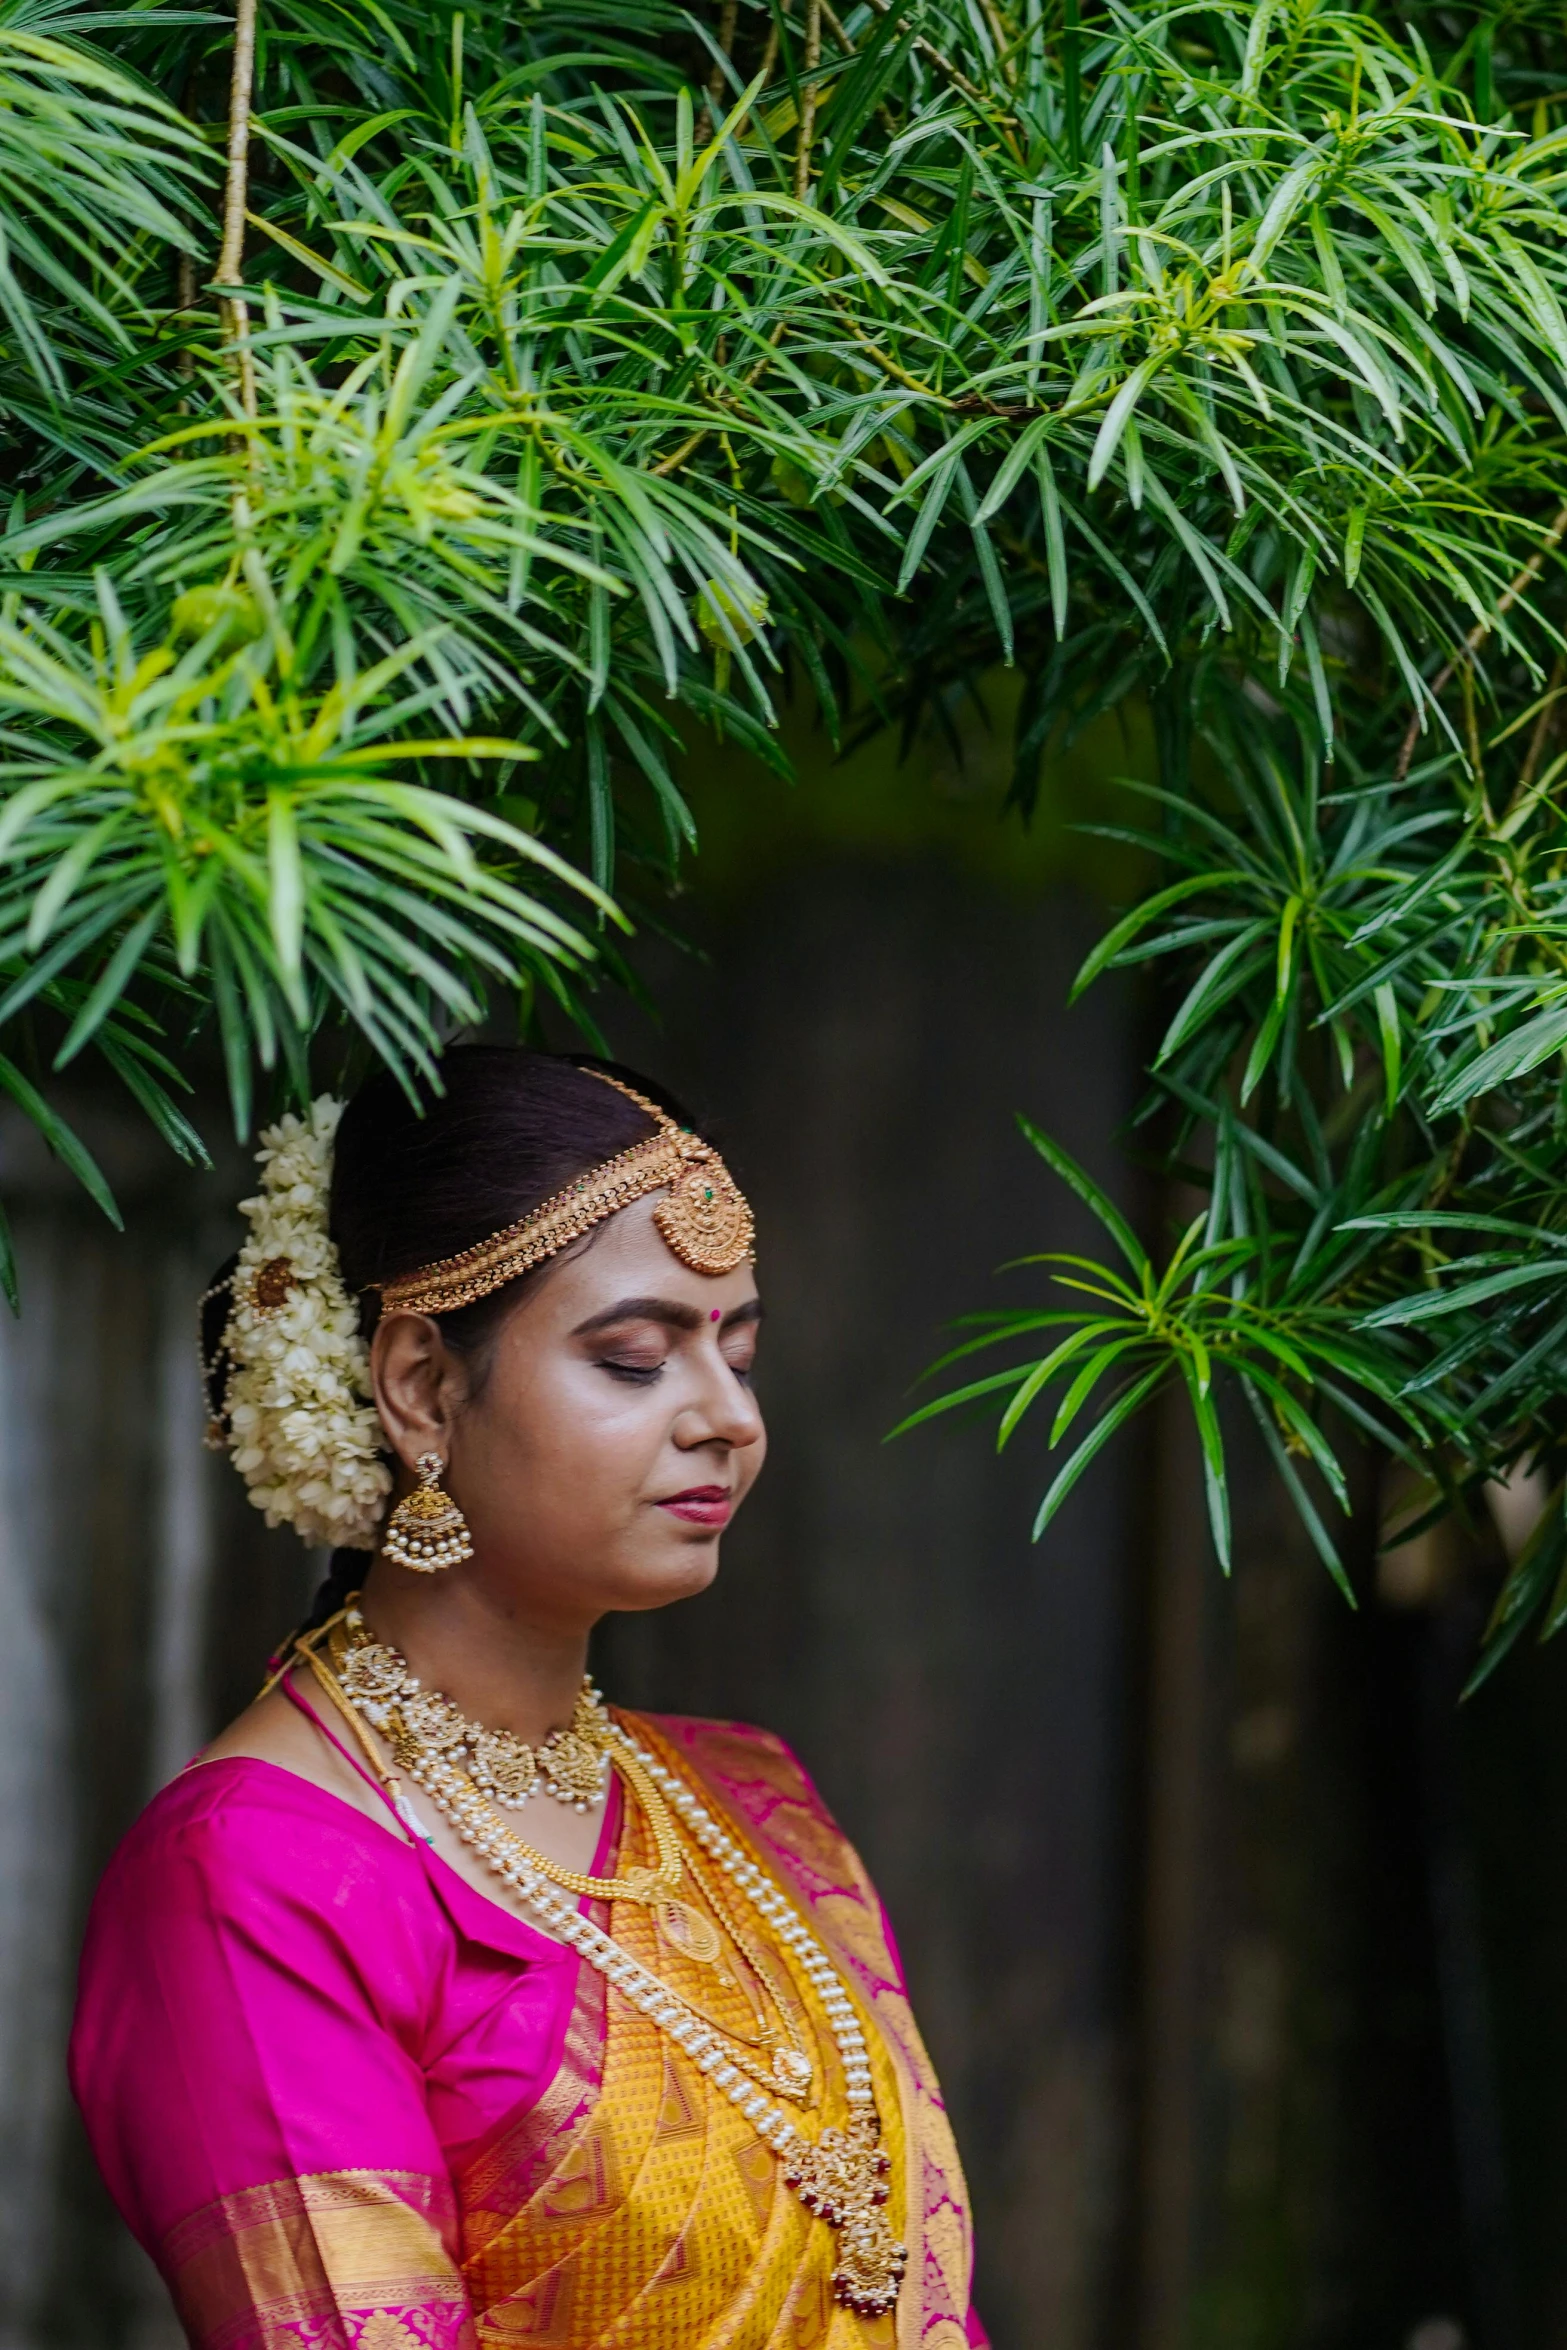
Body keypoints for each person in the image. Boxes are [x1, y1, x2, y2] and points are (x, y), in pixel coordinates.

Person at [69, 1048, 986, 2350]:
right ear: (422, 1387)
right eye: (633, 1358)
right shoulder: (255, 1880)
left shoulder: (758, 1801)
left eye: (740, 1349)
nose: (729, 1416)